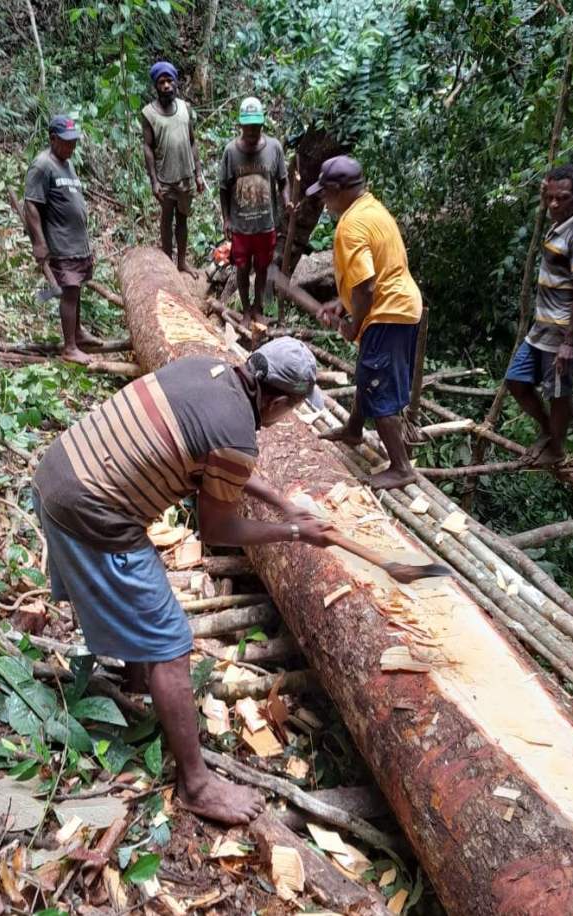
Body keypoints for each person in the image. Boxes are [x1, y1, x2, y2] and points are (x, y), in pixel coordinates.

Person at [32, 339, 337, 825]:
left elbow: (217, 461)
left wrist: (282, 502)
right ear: (277, 403)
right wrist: (295, 532)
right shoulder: (238, 434)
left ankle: (139, 681)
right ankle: (196, 785)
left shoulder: (208, 369)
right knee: (173, 643)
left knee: (146, 606)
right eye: (293, 410)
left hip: (60, 470)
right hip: (90, 509)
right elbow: (218, 529)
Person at [309, 156, 422, 490]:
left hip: (389, 311)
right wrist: (341, 305)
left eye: (325, 194)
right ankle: (354, 428)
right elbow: (369, 276)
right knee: (368, 373)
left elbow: (366, 286)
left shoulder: (350, 226)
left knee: (379, 387)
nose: (323, 201)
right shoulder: (371, 208)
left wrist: (354, 325)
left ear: (339, 190)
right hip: (398, 306)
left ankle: (401, 467)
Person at [506, 163, 573, 466]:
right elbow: (553, 195)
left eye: (562, 198)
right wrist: (548, 190)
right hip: (542, 328)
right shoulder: (562, 218)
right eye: (549, 198)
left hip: (563, 330)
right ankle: (548, 431)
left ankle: (557, 450)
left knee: (558, 392)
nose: (553, 204)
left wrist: (570, 342)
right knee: (516, 381)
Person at [24, 115, 99, 366]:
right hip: (60, 242)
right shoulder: (42, 165)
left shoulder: (66, 163)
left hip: (77, 242)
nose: (72, 146)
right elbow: (32, 205)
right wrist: (39, 242)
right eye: (66, 142)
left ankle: (77, 332)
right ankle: (69, 347)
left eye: (74, 141)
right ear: (53, 138)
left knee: (76, 289)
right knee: (68, 291)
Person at [219, 98, 291, 327]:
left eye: (255, 126)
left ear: (262, 124)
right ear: (240, 125)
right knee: (242, 267)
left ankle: (258, 307)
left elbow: (283, 181)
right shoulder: (231, 151)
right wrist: (227, 219)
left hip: (265, 224)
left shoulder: (274, 148)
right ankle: (246, 310)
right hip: (241, 226)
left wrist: (287, 201)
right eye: (247, 126)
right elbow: (223, 187)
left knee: (261, 267)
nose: (251, 130)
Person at [142, 62, 204, 279]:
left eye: (170, 81)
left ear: (176, 83)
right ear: (156, 86)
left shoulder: (185, 108)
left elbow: (193, 141)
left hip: (186, 176)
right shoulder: (149, 113)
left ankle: (182, 262)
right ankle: (167, 262)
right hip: (166, 178)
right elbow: (148, 148)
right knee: (166, 219)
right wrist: (154, 181)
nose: (167, 85)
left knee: (183, 219)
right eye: (162, 82)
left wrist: (198, 173)